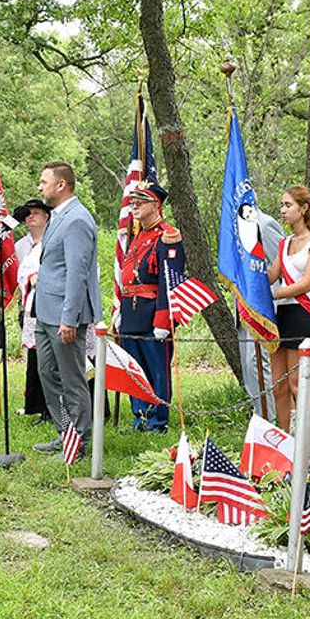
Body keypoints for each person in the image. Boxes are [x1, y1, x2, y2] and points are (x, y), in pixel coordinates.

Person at [30, 162, 100, 458]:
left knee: (72, 380)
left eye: (44, 181)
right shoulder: (58, 217)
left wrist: (69, 319)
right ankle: (65, 433)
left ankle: (80, 442)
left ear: (61, 185)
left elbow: (77, 273)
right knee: (47, 373)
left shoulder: (77, 220)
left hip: (64, 315)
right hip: (45, 312)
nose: (39, 187)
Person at [116, 179, 184, 432]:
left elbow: (170, 282)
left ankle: (157, 421)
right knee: (135, 369)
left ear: (155, 205)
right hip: (131, 312)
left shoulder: (167, 236)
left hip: (153, 313)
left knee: (157, 370)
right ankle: (140, 417)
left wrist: (164, 320)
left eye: (140, 202)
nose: (134, 206)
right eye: (132, 201)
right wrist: (120, 310)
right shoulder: (137, 236)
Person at [264, 185, 310, 431]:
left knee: (297, 383)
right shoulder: (285, 243)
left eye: (288, 205)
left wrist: (274, 294)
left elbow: (306, 283)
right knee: (279, 386)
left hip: (305, 314)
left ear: (304, 208)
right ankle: (285, 437)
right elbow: (272, 275)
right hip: (282, 314)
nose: (283, 210)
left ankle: (309, 439)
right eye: (282, 205)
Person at [240, 209, 286, 421]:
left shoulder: (265, 224)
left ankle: (272, 420)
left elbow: (283, 265)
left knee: (260, 365)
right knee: (249, 368)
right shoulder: (236, 228)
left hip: (264, 308)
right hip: (244, 307)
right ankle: (260, 417)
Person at [13, 198, 52, 423]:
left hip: (49, 304)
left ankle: (52, 408)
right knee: (36, 358)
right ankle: (36, 405)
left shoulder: (52, 241)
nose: (31, 216)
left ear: (47, 216)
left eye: (36, 212)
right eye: (27, 213)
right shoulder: (21, 245)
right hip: (29, 305)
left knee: (49, 360)